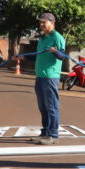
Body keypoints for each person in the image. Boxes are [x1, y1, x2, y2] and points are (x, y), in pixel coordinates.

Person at [34, 12, 66, 144]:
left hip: (51, 76)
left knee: (51, 105)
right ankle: (45, 132)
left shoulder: (57, 37)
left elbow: (63, 56)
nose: (41, 24)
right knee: (43, 106)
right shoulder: (42, 38)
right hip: (40, 76)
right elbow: (38, 55)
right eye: (40, 22)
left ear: (52, 22)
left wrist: (56, 52)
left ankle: (53, 135)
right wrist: (22, 57)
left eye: (44, 22)